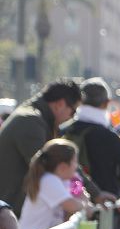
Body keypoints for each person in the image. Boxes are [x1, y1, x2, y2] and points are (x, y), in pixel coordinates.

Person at [0, 78, 81, 214]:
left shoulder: (38, 119)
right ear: (60, 104)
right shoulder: (30, 121)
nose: (71, 117)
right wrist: (83, 194)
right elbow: (53, 166)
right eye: (73, 112)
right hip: (11, 212)